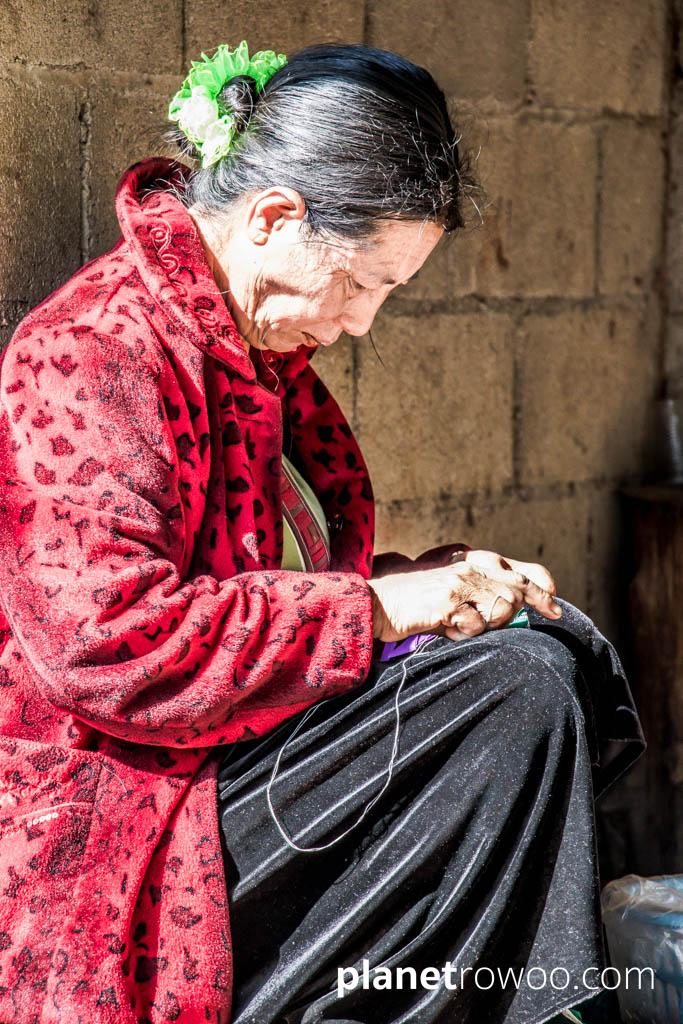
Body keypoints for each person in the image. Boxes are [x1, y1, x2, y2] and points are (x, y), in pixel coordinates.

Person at [0, 40, 643, 1024]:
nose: (358, 323)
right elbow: (108, 646)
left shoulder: (255, 358)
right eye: (360, 282)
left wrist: (433, 588)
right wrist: (379, 608)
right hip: (127, 822)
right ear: (271, 219)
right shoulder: (93, 350)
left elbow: (272, 590)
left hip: (230, 767)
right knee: (514, 695)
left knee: (528, 657)